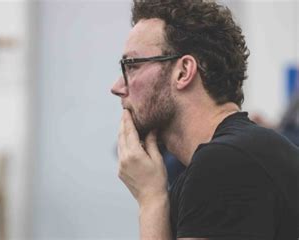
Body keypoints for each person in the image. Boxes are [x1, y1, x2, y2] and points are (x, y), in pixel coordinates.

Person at [110, 0, 299, 239]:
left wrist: (151, 200)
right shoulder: (229, 158)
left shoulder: (225, 164)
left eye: (132, 66)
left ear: (183, 72)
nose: (117, 87)